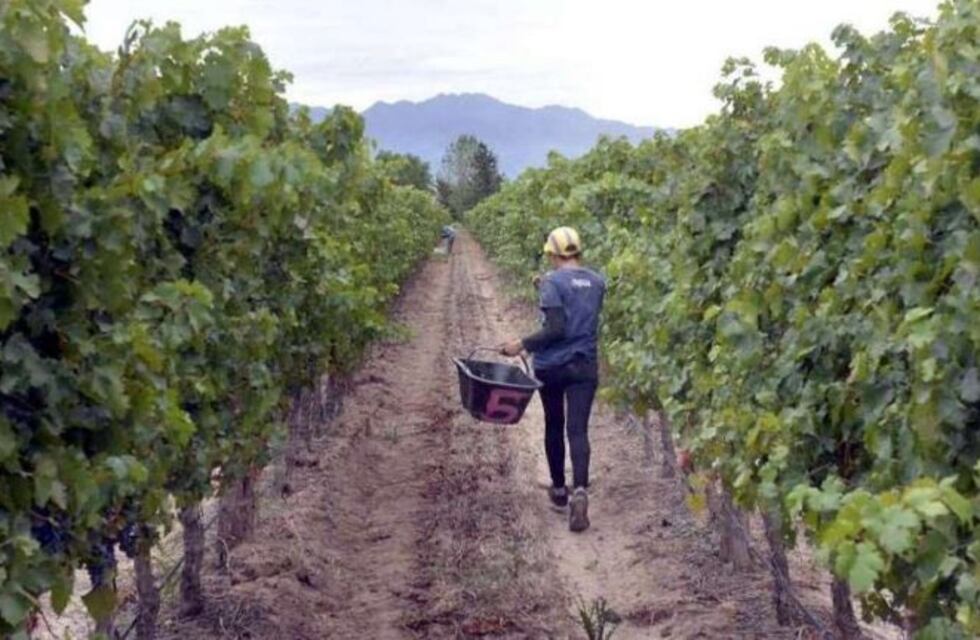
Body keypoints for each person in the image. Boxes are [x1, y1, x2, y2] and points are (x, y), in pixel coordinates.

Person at [501, 226, 605, 532]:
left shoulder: (552, 281)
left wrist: (520, 344)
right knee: (578, 430)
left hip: (552, 366)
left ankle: (560, 491)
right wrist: (543, 287)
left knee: (554, 425)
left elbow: (556, 328)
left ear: (552, 253)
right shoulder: (598, 281)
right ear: (577, 251)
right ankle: (581, 490)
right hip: (584, 365)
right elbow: (577, 305)